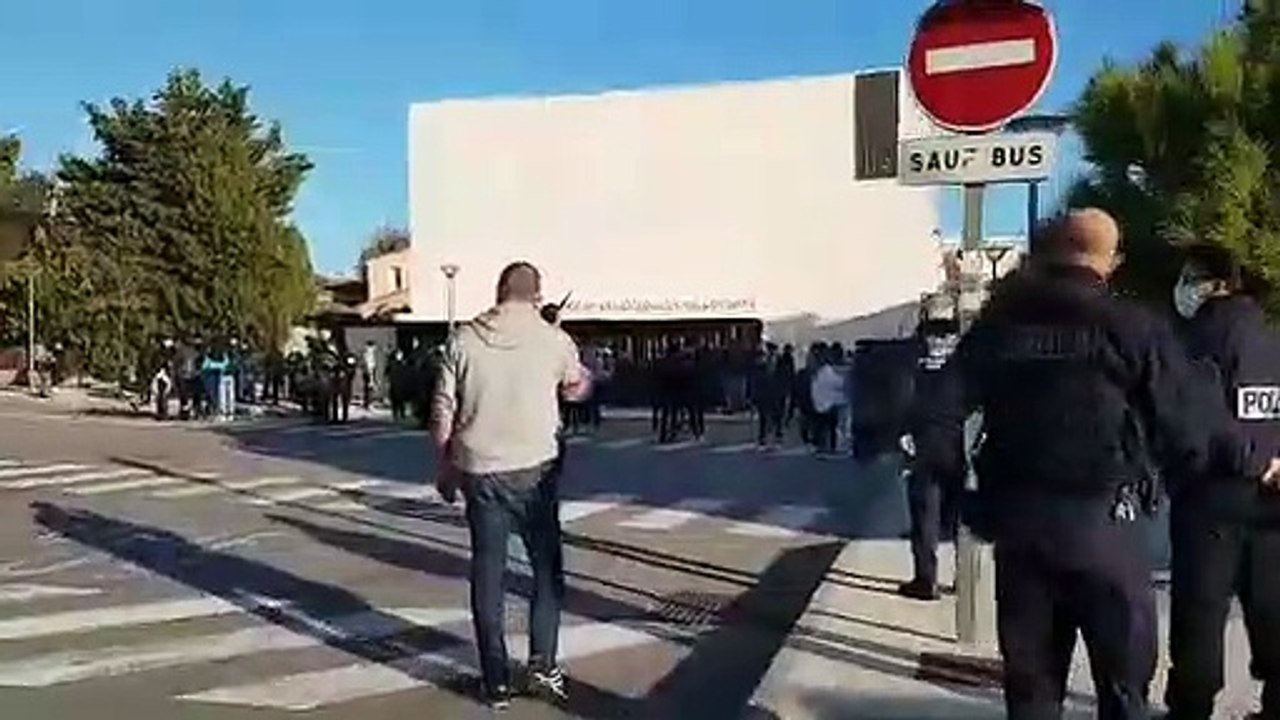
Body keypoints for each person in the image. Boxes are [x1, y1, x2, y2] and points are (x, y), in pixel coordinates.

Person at [912, 209, 1280, 720]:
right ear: (1111, 261)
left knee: (1033, 694)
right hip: (1107, 529)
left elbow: (935, 415)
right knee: (1124, 692)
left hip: (1020, 531)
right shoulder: (1132, 327)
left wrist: (963, 501)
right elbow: (1191, 429)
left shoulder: (997, 330)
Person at [431, 262, 590, 710]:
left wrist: (444, 468)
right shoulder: (554, 340)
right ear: (537, 297)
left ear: (499, 292)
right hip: (536, 471)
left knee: (488, 570)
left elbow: (443, 408)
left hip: (479, 470)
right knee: (545, 571)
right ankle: (541, 663)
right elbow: (577, 389)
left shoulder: (462, 339)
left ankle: (495, 680)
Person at [1163, 244, 1280, 720]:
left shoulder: (1193, 342)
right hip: (1272, 499)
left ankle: (1190, 708)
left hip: (1209, 495)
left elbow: (1191, 422)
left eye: (1190, 278)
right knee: (1273, 608)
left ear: (1213, 285)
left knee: (1200, 613)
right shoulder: (1271, 338)